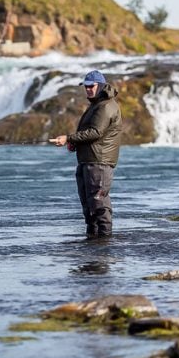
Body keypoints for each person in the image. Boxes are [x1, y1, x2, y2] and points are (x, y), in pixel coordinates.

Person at [49, 70, 122, 238]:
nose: (88, 89)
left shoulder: (106, 106)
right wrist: (74, 143)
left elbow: (95, 132)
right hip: (88, 160)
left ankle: (104, 244)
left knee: (99, 204)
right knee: (88, 206)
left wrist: (68, 138)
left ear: (101, 86)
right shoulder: (96, 104)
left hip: (99, 162)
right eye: (86, 86)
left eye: (92, 86)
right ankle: (92, 244)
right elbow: (90, 133)